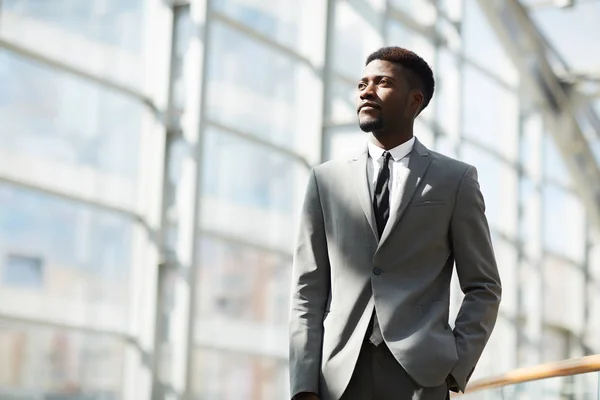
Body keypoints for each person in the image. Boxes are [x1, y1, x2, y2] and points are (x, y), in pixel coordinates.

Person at [288, 46, 502, 400]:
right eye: (362, 84)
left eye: (382, 82)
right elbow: (306, 291)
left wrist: (455, 363)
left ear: (414, 100)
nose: (366, 92)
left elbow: (484, 286)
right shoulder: (325, 181)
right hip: (338, 378)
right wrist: (304, 383)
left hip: (421, 377)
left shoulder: (455, 180)